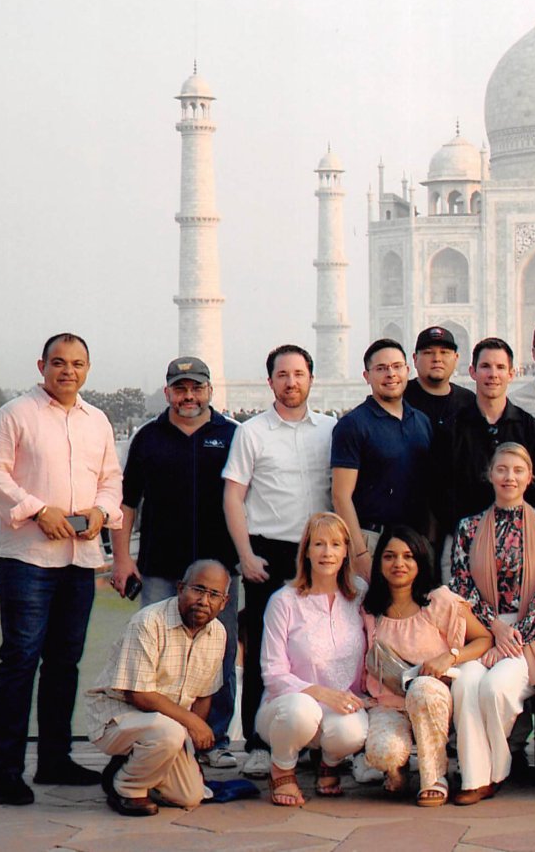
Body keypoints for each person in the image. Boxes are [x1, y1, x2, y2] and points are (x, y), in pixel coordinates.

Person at [0, 332, 123, 805]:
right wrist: (39, 510)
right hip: (29, 559)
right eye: (59, 363)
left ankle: (54, 759)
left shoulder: (97, 421)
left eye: (77, 364)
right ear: (41, 366)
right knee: (20, 663)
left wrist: (100, 513)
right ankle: (6, 772)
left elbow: (110, 480)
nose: (68, 372)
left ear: (88, 369)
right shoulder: (15, 414)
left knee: (64, 664)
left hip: (79, 559)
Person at [109, 356, 241, 769]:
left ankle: (213, 740)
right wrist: (122, 559)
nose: (189, 396)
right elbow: (127, 504)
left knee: (219, 654)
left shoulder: (233, 435)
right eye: (180, 388)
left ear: (209, 392)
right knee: (153, 656)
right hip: (162, 567)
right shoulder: (149, 438)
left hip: (218, 569)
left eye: (196, 388)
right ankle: (155, 739)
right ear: (168, 392)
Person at [221, 344, 336, 778]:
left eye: (299, 374)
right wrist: (245, 554)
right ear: (270, 381)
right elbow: (233, 495)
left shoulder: (328, 430)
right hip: (269, 550)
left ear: (311, 378)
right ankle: (258, 740)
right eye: (283, 375)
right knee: (264, 649)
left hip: (320, 553)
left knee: (321, 647)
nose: (291, 382)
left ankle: (321, 741)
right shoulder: (252, 432)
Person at [448, 442, 535, 805]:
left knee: (496, 689)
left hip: (527, 638)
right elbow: (461, 587)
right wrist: (492, 630)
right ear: (490, 475)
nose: (509, 477)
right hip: (481, 631)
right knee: (466, 683)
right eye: (502, 469)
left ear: (530, 477)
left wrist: (512, 638)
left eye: (518, 470)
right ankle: (473, 777)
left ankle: (492, 772)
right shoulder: (468, 528)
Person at [85, 560, 231, 816]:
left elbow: (204, 695)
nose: (204, 601)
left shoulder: (218, 633)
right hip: (116, 718)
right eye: (198, 590)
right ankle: (126, 788)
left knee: (188, 795)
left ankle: (129, 766)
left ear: (225, 602)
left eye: (214, 595)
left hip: (167, 725)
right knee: (170, 732)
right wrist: (192, 724)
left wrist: (192, 747)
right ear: (180, 588)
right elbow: (138, 695)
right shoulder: (148, 623)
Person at [362, 526, 493, 806]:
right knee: (382, 752)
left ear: (420, 561)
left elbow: (484, 638)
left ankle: (434, 777)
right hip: (389, 703)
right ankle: (397, 771)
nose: (399, 564)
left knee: (423, 689)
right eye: (390, 556)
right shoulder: (369, 610)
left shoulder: (438, 602)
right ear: (379, 563)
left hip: (434, 701)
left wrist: (450, 656)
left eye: (408, 556)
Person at [257, 513, 370, 806]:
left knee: (353, 731)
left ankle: (329, 762)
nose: (327, 552)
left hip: (341, 706)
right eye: (319, 544)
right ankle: (282, 768)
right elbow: (272, 673)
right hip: (285, 707)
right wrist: (320, 693)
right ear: (306, 550)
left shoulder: (359, 595)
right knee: (301, 709)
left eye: (335, 544)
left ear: (346, 550)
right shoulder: (284, 601)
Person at [433, 338, 535, 536]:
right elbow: (438, 492)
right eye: (485, 366)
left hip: (520, 539)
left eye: (500, 367)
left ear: (511, 374)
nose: (493, 374)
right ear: (472, 372)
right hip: (463, 539)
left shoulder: (530, 430)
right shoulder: (451, 430)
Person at [331, 339, 432, 574]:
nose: (391, 374)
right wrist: (358, 552)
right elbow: (340, 496)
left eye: (397, 367)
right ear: (367, 376)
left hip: (412, 541)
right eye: (381, 368)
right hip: (371, 539)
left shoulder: (420, 422)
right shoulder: (354, 425)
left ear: (408, 371)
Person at [404, 326, 476, 432]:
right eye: (428, 353)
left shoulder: (468, 401)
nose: (437, 359)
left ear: (456, 359)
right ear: (415, 359)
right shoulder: (400, 397)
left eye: (444, 352)